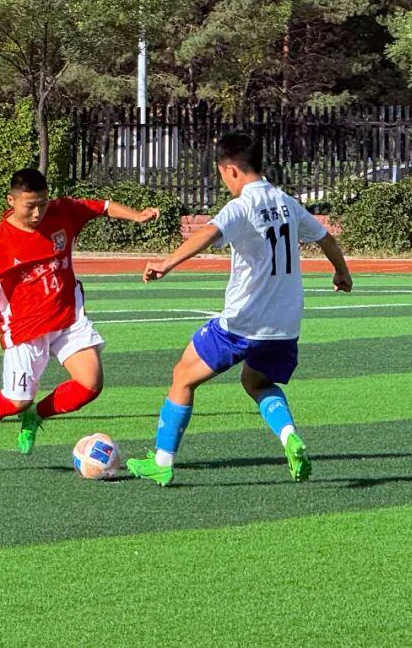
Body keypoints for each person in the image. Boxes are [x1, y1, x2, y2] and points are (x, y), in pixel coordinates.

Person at [126, 132, 353, 486]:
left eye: (222, 174)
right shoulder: (287, 202)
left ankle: (162, 462)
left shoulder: (242, 206)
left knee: (182, 376)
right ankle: (289, 436)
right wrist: (342, 272)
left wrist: (166, 263)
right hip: (285, 325)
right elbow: (325, 237)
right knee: (256, 381)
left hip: (242, 323)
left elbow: (207, 233)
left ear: (231, 170)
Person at [0, 168, 160, 455]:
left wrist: (137, 215)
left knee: (90, 385)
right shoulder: (0, 240)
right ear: (11, 201)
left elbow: (103, 207)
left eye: (42, 204)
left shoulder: (64, 211)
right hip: (25, 327)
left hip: (67, 317)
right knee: (16, 401)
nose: (37, 213)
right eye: (30, 206)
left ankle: (36, 416)